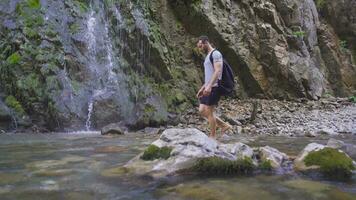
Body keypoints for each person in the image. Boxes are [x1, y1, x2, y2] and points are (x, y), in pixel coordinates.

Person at [196, 35, 232, 139]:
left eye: (201, 45)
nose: (200, 48)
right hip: (208, 86)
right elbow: (209, 74)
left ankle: (212, 137)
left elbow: (217, 71)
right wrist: (203, 88)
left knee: (209, 111)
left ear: (206, 42)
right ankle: (224, 125)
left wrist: (210, 86)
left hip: (215, 87)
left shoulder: (216, 54)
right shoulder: (208, 56)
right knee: (202, 110)